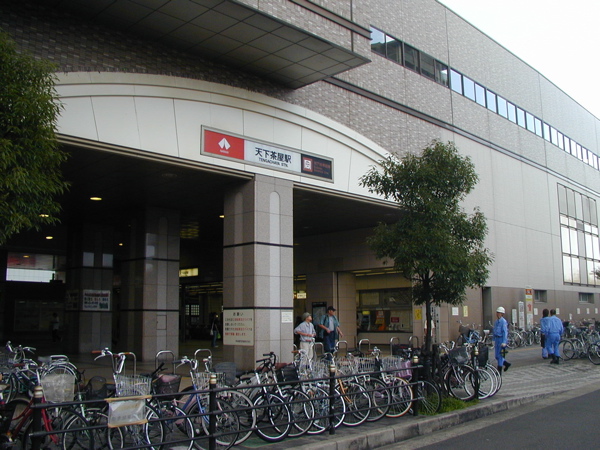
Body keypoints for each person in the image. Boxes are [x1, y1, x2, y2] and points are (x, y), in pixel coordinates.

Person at [493, 306, 511, 373]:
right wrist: (493, 340)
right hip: (497, 339)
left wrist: (504, 342)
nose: (497, 314)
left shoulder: (503, 322)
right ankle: (506, 364)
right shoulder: (496, 322)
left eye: (499, 313)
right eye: (497, 312)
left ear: (502, 314)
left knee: (500, 356)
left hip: (501, 339)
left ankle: (499, 371)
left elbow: (505, 332)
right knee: (497, 356)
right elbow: (494, 331)